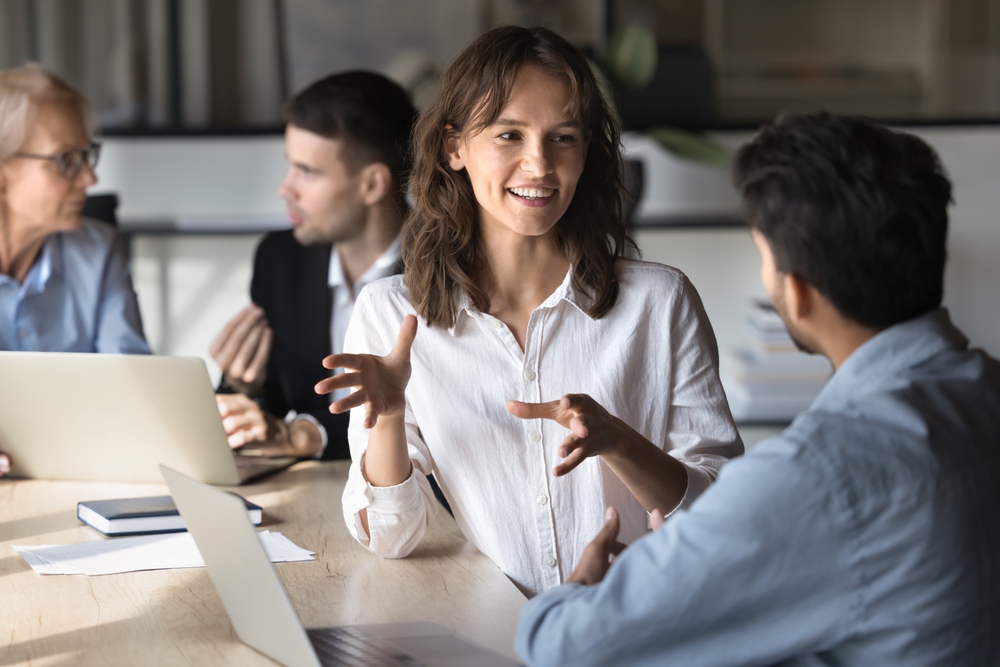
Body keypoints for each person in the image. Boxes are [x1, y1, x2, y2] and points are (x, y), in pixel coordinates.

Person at [515, 113, 1000, 666]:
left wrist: (581, 589)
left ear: (796, 294)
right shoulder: (987, 390)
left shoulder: (816, 477)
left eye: (764, 257)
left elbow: (562, 647)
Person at [317, 26, 742, 596]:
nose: (539, 164)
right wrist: (389, 415)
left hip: (642, 629)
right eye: (510, 135)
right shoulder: (391, 313)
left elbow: (717, 516)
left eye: (563, 137)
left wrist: (618, 441)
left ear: (587, 151)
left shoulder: (660, 302)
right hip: (498, 637)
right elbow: (392, 537)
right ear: (455, 148)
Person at [210, 72, 416, 460]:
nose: (285, 188)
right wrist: (240, 385)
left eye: (308, 171)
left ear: (372, 184)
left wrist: (309, 435)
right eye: (291, 166)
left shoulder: (450, 270)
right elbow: (265, 420)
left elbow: (440, 421)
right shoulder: (279, 259)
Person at [0, 63, 149, 477]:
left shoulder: (101, 250)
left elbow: (133, 388)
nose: (90, 176)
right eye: (65, 160)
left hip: (83, 473)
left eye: (86, 155)